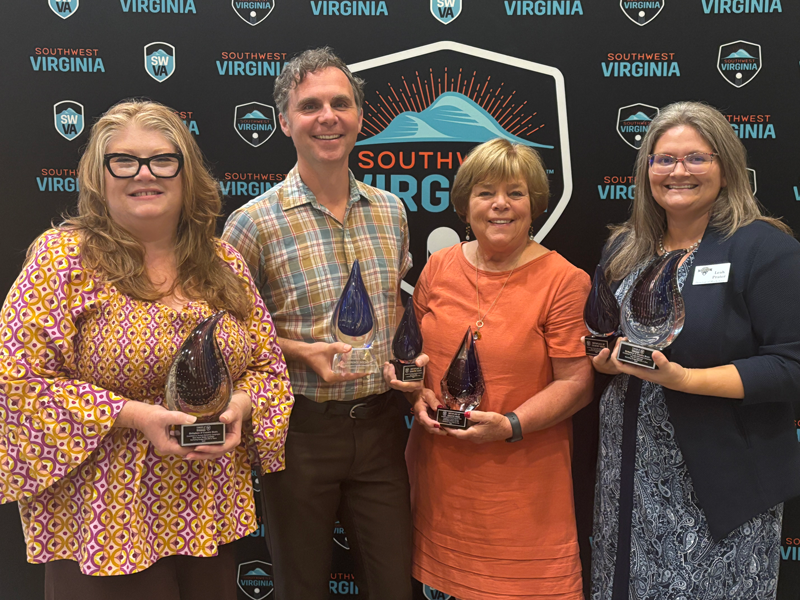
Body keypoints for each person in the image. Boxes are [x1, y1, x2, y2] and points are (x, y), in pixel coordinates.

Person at [0, 100, 294, 600]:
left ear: (185, 174)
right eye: (124, 161)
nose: (144, 174)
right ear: (100, 175)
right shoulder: (62, 259)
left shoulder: (223, 262)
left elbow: (268, 370)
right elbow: (16, 382)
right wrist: (136, 415)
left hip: (207, 513)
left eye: (162, 159)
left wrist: (241, 408)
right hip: (104, 522)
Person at [221, 47, 414, 600]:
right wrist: (301, 352)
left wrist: (404, 358)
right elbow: (228, 337)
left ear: (359, 116)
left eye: (340, 103)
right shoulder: (252, 223)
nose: (327, 116)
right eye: (310, 106)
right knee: (301, 586)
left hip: (380, 428)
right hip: (299, 432)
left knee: (392, 586)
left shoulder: (391, 210)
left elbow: (394, 306)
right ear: (285, 121)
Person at [589, 101, 800, 600]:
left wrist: (684, 379)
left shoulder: (764, 249)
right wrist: (603, 358)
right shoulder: (625, 247)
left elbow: (791, 366)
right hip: (628, 475)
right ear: (646, 172)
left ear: (725, 168)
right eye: (663, 159)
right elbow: (601, 334)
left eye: (695, 158)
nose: (677, 171)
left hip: (718, 483)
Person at [398, 138, 593, 599]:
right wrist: (414, 391)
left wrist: (509, 425)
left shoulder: (564, 280)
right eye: (486, 192)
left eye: (516, 193)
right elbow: (410, 357)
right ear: (465, 205)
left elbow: (578, 384)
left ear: (535, 205)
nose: (500, 204)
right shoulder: (439, 266)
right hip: (439, 487)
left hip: (521, 496)